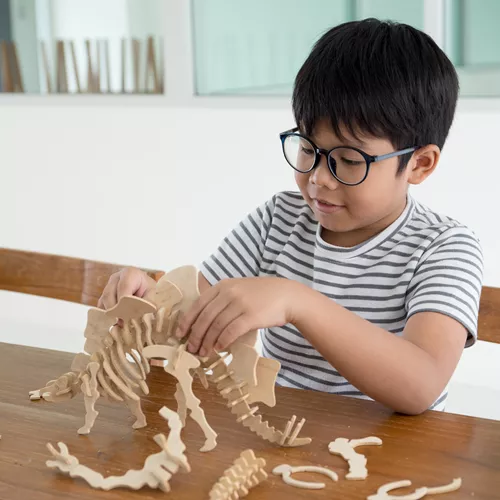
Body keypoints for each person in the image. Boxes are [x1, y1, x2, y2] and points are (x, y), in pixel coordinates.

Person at [99, 19, 483, 415]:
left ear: (420, 164)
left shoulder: (445, 247)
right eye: (307, 149)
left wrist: (297, 301)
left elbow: (420, 385)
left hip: (403, 459)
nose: (318, 179)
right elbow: (188, 323)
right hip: (286, 438)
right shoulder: (277, 221)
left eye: (349, 161)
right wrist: (146, 304)